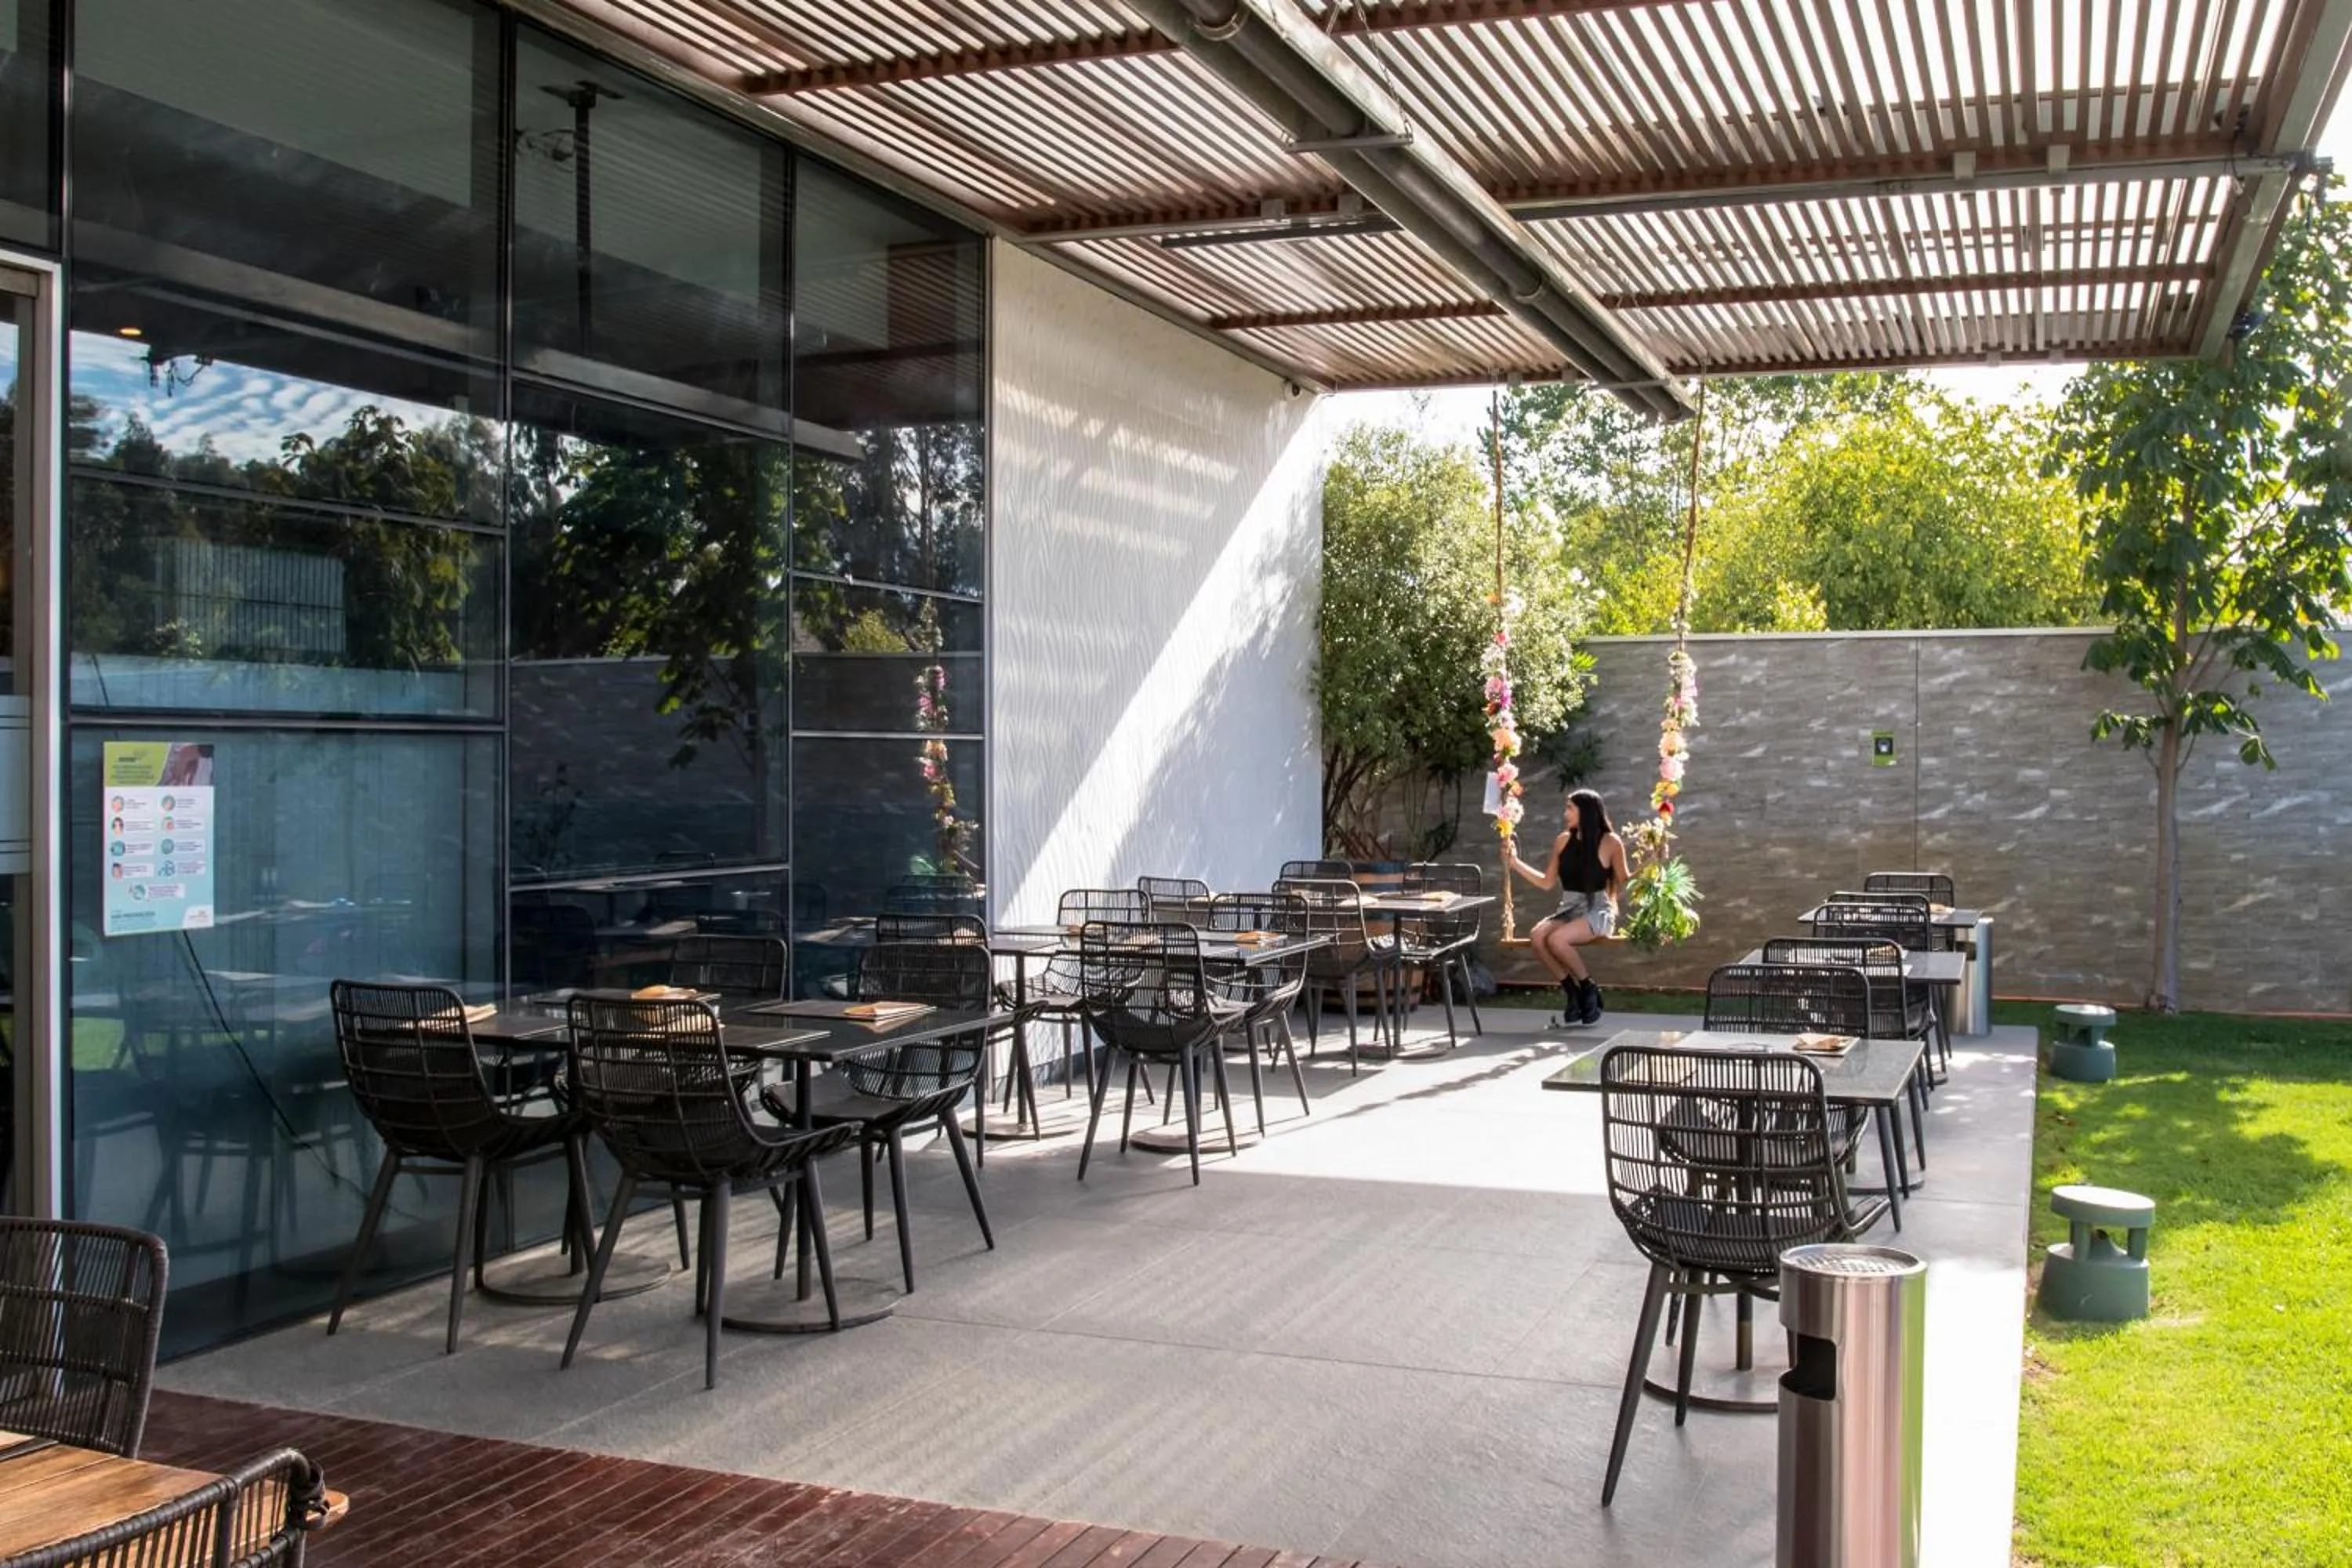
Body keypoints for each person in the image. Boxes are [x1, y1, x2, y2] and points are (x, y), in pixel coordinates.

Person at [1507, 788, 1628, 1026]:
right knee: (1538, 936)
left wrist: (1653, 859)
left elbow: (1626, 879)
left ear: (1586, 811)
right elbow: (1546, 882)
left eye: (1570, 808)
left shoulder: (1610, 842)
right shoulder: (1563, 840)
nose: (1566, 814)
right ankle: (1572, 991)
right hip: (1570, 908)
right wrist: (1514, 863)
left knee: (1557, 940)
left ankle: (1588, 987)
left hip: (1598, 908)